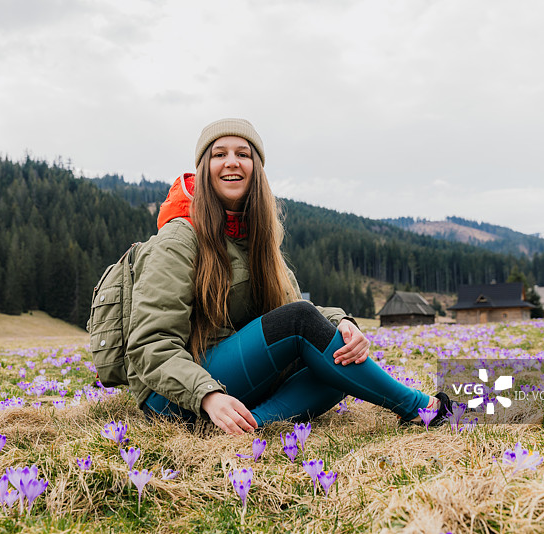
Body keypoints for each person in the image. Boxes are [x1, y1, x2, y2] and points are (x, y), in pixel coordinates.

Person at [125, 118, 452, 435]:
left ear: (257, 169)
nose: (231, 162)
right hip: (174, 398)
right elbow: (150, 345)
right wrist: (208, 395)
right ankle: (421, 409)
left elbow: (293, 309)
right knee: (311, 334)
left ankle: (247, 427)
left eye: (243, 154)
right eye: (219, 154)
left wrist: (340, 323)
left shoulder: (258, 238)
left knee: (336, 364)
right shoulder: (178, 239)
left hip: (234, 384)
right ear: (203, 168)